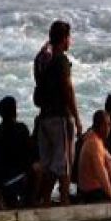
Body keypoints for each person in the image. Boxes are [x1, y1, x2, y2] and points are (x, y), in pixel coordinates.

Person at [34, 20, 81, 206]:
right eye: (69, 37)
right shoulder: (61, 60)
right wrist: (76, 119)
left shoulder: (42, 60)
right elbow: (68, 89)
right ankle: (63, 199)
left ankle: (43, 200)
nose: (71, 41)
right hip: (59, 117)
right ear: (64, 39)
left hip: (44, 118)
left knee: (47, 163)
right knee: (64, 163)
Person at [0, 96, 37, 208]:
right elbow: (30, 155)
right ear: (15, 111)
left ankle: (7, 201)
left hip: (1, 185)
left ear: (0, 113)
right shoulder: (21, 129)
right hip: (19, 181)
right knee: (39, 168)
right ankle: (32, 203)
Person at [77, 110, 111, 203]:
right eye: (106, 125)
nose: (108, 128)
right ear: (99, 126)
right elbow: (101, 173)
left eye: (109, 125)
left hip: (89, 189)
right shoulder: (94, 143)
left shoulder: (94, 139)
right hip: (91, 192)